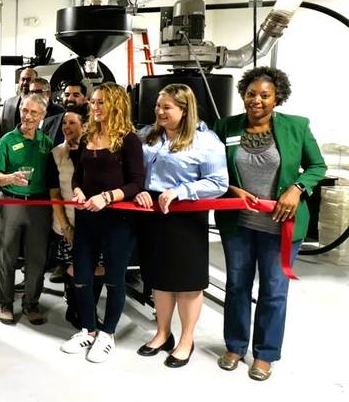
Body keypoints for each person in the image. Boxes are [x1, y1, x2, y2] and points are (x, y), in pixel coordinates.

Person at [213, 67, 326, 381]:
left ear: (277, 98)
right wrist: (231, 189)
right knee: (236, 286)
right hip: (239, 224)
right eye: (251, 93)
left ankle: (265, 354)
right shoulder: (226, 127)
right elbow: (213, 169)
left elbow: (317, 165)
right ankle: (235, 346)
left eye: (265, 95)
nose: (257, 100)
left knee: (274, 291)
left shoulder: (296, 127)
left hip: (281, 227)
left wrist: (297, 188)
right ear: (244, 95)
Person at [133, 84, 228, 368]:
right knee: (160, 279)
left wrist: (181, 191)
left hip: (186, 216)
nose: (160, 112)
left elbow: (218, 183)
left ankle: (187, 339)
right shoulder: (148, 136)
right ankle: (163, 333)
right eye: (158, 106)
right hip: (152, 214)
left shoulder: (206, 142)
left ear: (185, 110)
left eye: (167, 107)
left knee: (187, 283)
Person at [60, 82, 144, 363]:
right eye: (93, 102)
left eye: (100, 103)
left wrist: (107, 197)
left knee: (114, 278)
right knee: (81, 276)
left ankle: (107, 334)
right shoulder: (87, 136)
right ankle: (88, 329)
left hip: (118, 221)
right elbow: (77, 174)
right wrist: (79, 190)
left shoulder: (128, 139)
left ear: (116, 105)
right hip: (87, 218)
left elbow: (136, 182)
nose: (94, 107)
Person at [0, 93, 53, 326]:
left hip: (39, 205)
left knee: (36, 258)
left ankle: (31, 304)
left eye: (33, 112)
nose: (27, 116)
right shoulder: (7, 140)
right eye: (24, 110)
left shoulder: (46, 143)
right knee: (6, 256)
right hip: (11, 202)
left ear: (42, 116)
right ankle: (5, 303)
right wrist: (10, 178)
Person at [45, 104, 86, 290]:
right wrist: (66, 226)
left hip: (92, 223)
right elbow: (54, 193)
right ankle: (73, 307)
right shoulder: (56, 154)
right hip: (67, 223)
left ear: (84, 126)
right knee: (72, 271)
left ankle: (87, 308)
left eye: (72, 123)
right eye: (64, 123)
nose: (66, 127)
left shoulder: (95, 152)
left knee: (93, 269)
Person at [42, 79, 88, 146]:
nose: (70, 99)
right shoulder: (48, 123)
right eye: (67, 95)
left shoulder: (93, 124)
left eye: (75, 95)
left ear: (85, 99)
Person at [0, 67, 37, 139]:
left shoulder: (42, 105)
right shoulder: (8, 103)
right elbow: (2, 132)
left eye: (29, 80)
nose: (25, 83)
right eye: (23, 79)